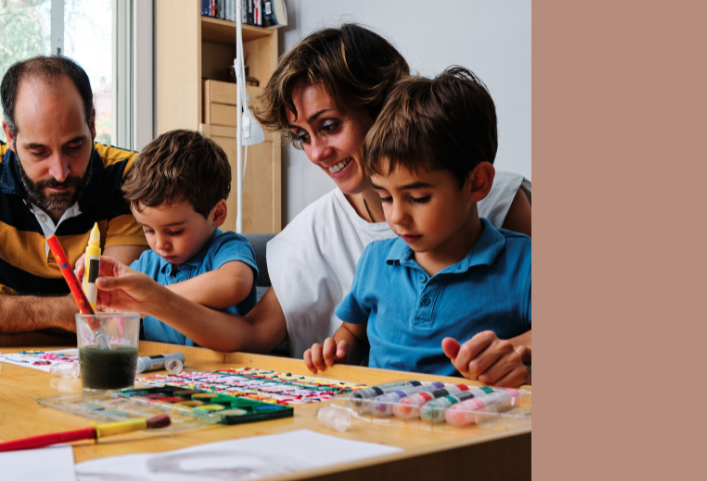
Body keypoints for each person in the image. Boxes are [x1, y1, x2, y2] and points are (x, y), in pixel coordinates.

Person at [84, 24, 532, 368]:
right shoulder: (314, 233)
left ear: (381, 105)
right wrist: (156, 299)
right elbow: (252, 335)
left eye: (330, 126)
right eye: (302, 135)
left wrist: (515, 352)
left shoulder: (493, 199)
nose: (317, 152)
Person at [302, 67, 531, 387]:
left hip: (470, 424)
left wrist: (519, 356)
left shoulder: (524, 263)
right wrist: (336, 353)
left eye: (419, 197)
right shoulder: (375, 259)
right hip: (380, 422)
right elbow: (353, 331)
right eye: (385, 197)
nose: (397, 217)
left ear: (477, 182)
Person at [0, 56, 147, 333]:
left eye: (74, 147)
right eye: (39, 152)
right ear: (10, 136)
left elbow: (110, 315)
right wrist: (60, 311)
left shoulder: (129, 177)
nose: (60, 172)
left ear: (92, 125)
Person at [103, 129, 259, 346]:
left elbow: (235, 283)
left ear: (217, 214)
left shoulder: (227, 248)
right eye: (148, 230)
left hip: (224, 373)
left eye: (174, 231)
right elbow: (116, 316)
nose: (160, 244)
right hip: (163, 372)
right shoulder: (148, 264)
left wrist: (154, 296)